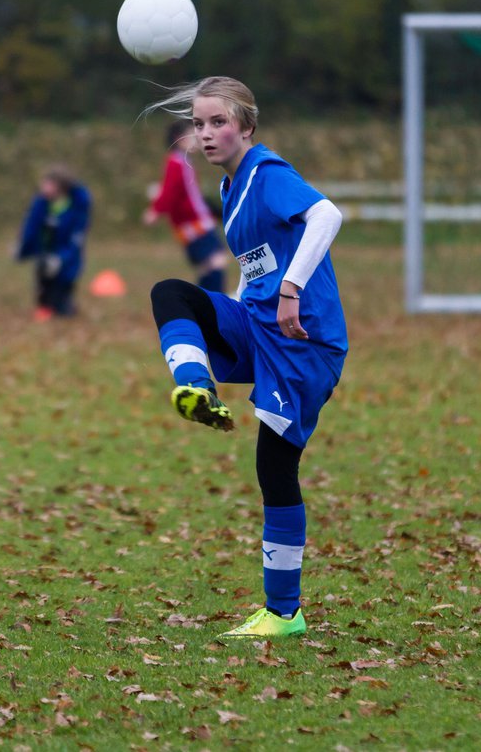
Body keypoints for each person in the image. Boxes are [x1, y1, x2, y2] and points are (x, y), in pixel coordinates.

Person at [145, 76, 347, 640]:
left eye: (218, 122)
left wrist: (291, 290)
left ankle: (284, 613)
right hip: (260, 327)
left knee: (274, 467)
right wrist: (241, 304)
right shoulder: (234, 186)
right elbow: (257, 262)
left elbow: (326, 217)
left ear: (247, 128)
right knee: (172, 293)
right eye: (199, 123)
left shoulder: (267, 172)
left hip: (304, 343)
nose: (205, 134)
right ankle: (195, 386)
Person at [143, 119, 229, 292]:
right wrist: (156, 210)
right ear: (180, 139)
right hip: (193, 226)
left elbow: (190, 196)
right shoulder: (176, 162)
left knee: (209, 264)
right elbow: (169, 191)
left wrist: (212, 211)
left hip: (198, 222)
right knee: (215, 260)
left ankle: (205, 304)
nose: (199, 138)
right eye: (193, 134)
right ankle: (213, 305)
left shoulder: (184, 161)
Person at [15, 165, 91, 321]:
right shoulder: (41, 203)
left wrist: (60, 259)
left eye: (48, 183)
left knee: (62, 298)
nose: (44, 187)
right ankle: (45, 307)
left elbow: (75, 240)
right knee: (43, 289)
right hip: (44, 255)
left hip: (66, 261)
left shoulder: (76, 206)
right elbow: (31, 227)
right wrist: (22, 250)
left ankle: (66, 309)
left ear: (60, 186)